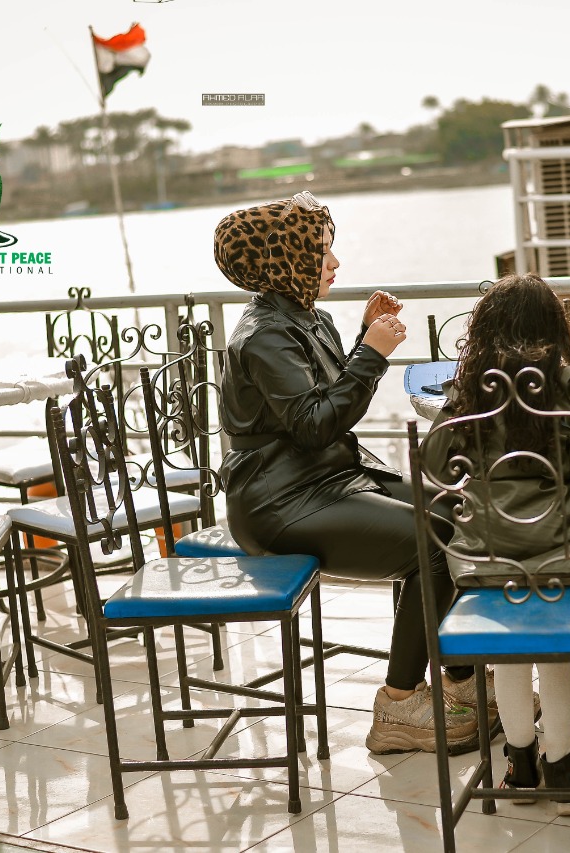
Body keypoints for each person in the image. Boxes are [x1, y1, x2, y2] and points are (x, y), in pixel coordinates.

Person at [213, 191, 485, 756]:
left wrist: (363, 337)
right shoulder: (263, 335)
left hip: (327, 479)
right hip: (280, 502)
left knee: (459, 512)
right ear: (283, 261)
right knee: (433, 543)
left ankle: (459, 681)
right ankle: (399, 704)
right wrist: (373, 353)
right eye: (321, 252)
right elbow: (316, 424)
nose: (334, 262)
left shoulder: (304, 317)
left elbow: (326, 402)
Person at [423, 274, 570, 815]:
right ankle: (562, 771)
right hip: (564, 555)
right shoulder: (566, 381)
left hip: (486, 559)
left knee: (508, 656)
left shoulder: (471, 390)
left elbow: (434, 463)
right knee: (557, 654)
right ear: (555, 327)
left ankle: (519, 766)